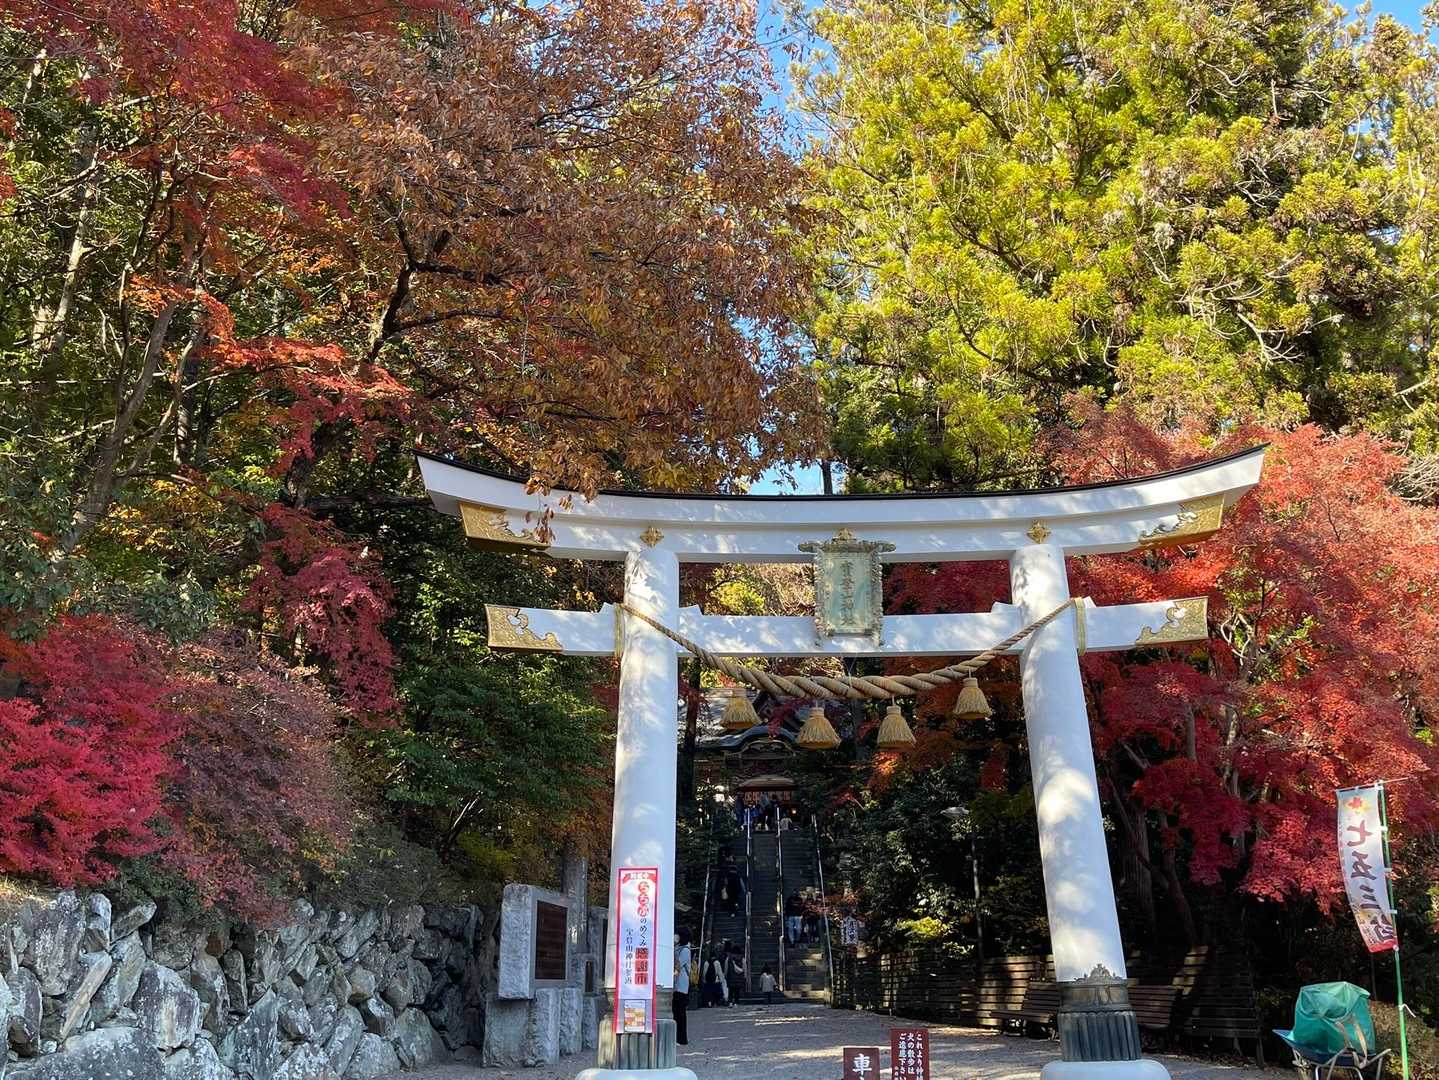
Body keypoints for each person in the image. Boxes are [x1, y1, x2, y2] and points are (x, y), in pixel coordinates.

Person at [673, 929, 691, 1045]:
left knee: (680, 1012)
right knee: (676, 1012)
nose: (675, 936)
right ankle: (677, 1037)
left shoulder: (685, 950)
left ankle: (682, 1038)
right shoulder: (677, 948)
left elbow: (678, 965)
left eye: (677, 934)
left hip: (681, 985)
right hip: (677, 985)